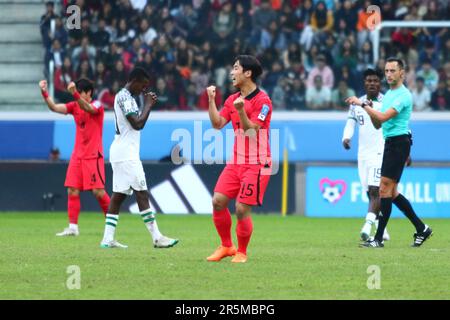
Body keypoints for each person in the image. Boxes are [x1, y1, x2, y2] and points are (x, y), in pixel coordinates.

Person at [346, 58, 432, 248]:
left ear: (402, 73)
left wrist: (362, 105)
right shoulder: (390, 95)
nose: (389, 74)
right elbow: (379, 123)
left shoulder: (403, 95)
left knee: (383, 189)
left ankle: (378, 238)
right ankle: (421, 228)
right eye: (386, 71)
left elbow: (384, 117)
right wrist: (369, 108)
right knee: (392, 193)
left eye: (393, 71)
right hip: (391, 143)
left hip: (399, 143)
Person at [100, 67, 178, 249]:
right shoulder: (125, 97)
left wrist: (145, 104)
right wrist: (148, 105)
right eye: (143, 85)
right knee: (141, 193)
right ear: (134, 80)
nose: (144, 90)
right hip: (127, 154)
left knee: (118, 195)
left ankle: (107, 238)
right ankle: (157, 237)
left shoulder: (125, 97)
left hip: (121, 151)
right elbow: (137, 123)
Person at [206, 55, 273, 263]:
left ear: (248, 73)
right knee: (218, 201)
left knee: (241, 208)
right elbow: (217, 124)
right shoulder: (231, 99)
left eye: (235, 68)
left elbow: (252, 130)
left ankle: (242, 252)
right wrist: (211, 100)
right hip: (236, 162)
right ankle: (227, 246)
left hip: (258, 163)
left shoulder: (263, 102)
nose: (231, 72)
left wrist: (241, 110)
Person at [39, 78, 111, 236]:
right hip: (78, 155)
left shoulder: (97, 105)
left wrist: (74, 94)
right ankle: (73, 227)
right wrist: (44, 92)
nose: (77, 95)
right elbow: (54, 108)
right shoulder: (74, 106)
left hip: (94, 155)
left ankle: (111, 226)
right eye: (76, 92)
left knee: (98, 192)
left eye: (80, 92)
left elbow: (90, 109)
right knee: (72, 190)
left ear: (89, 93)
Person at [342, 69, 390, 242]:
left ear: (380, 83)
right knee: (369, 192)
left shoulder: (386, 103)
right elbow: (350, 122)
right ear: (364, 83)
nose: (372, 83)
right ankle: (381, 228)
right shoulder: (356, 103)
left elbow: (397, 124)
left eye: (375, 80)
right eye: (368, 80)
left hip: (380, 152)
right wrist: (346, 137)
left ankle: (367, 225)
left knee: (375, 190)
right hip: (362, 154)